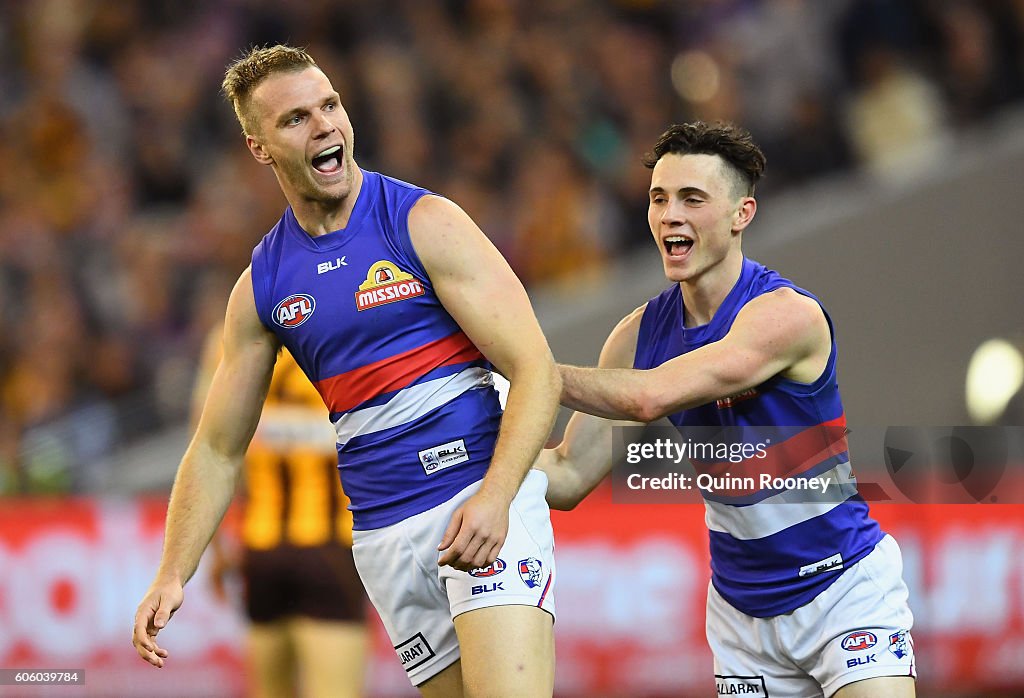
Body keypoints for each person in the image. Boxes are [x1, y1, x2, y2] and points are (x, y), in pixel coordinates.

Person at [132, 44, 561, 698]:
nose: (325, 124)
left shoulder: (424, 223)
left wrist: (498, 496)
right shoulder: (263, 286)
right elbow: (218, 447)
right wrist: (172, 572)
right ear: (260, 148)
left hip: (475, 499)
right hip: (383, 538)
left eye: (330, 104)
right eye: (297, 118)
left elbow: (536, 369)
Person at [539, 121, 916, 698]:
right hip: (742, 617)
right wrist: (457, 461)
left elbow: (650, 396)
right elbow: (565, 477)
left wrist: (524, 371)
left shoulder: (785, 316)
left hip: (843, 590)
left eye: (693, 199)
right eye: (659, 199)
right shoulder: (637, 335)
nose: (670, 215)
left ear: (742, 214)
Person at [194, 328, 368, 698]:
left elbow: (208, 446)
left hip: (261, 545)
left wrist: (217, 546)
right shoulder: (343, 324)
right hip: (330, 544)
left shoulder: (228, 336)